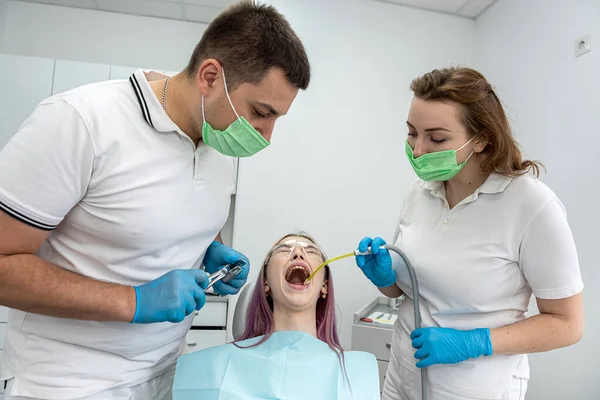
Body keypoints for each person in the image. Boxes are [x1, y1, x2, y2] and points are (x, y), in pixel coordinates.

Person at [0, 1, 311, 399]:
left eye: (275, 119)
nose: (266, 136)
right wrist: (134, 300)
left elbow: (164, 210)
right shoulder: (80, 122)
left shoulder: (217, 139)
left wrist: (210, 249)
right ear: (210, 77)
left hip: (167, 375)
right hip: (67, 381)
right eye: (260, 112)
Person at [356, 67, 584, 400]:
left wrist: (475, 341)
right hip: (402, 377)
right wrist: (385, 277)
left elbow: (567, 325)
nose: (418, 150)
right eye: (411, 133)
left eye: (436, 138)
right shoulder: (420, 191)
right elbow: (404, 292)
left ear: (481, 138)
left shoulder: (531, 205)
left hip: (475, 387)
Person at [171, 232, 380, 399]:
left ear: (324, 286)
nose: (298, 253)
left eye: (310, 250)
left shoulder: (356, 376)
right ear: (266, 284)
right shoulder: (214, 370)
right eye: (284, 249)